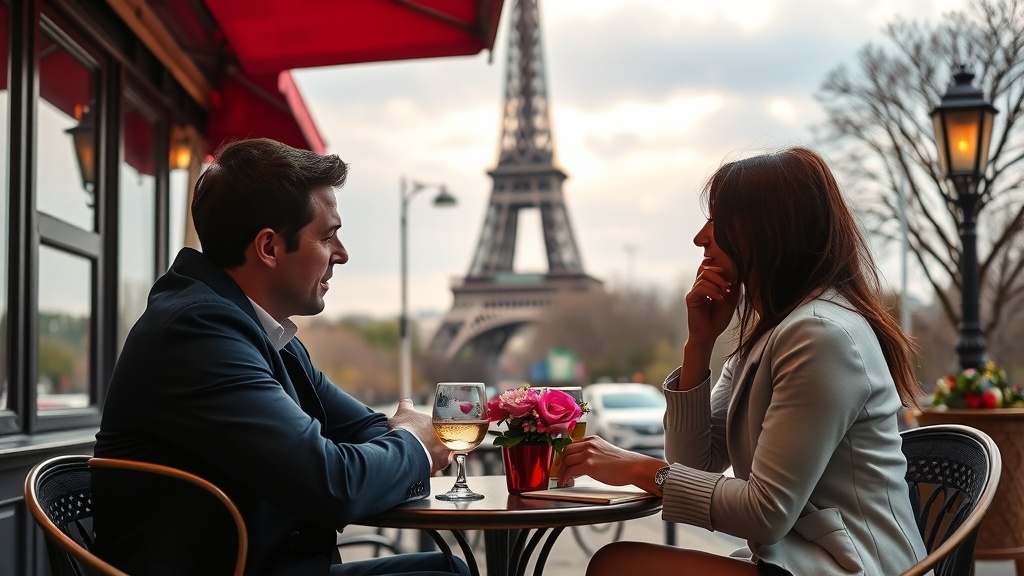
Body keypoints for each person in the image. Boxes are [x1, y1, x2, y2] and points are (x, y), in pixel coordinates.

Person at [93, 138, 467, 576]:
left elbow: (363, 429)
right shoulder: (198, 332)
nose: (342, 255)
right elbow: (334, 484)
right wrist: (414, 442)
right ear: (269, 247)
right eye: (328, 237)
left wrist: (396, 441)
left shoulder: (261, 330)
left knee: (446, 571)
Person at [557, 147, 928, 576]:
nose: (701, 237)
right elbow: (693, 465)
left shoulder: (821, 334)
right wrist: (699, 345)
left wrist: (637, 468)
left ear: (767, 229)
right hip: (805, 562)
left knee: (618, 566)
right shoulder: (771, 336)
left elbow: (765, 513)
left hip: (854, 568)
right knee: (618, 564)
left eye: (717, 219)